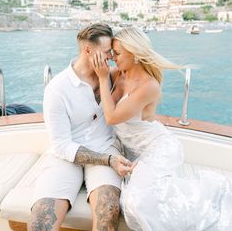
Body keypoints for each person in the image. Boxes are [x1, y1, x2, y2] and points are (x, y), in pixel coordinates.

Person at [92, 26, 232, 231]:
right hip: (135, 152)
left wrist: (103, 78)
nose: (113, 58)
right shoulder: (120, 74)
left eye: (118, 53)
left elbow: (112, 117)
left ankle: (216, 198)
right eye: (112, 53)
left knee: (136, 203)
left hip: (159, 148)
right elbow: (97, 91)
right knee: (135, 202)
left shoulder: (149, 86)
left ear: (136, 53)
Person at [29, 23, 133, 231]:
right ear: (88, 50)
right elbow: (61, 146)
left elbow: (144, 74)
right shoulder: (57, 89)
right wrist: (109, 160)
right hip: (66, 155)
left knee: (109, 211)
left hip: (105, 146)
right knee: (41, 220)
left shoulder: (114, 77)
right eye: (106, 53)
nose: (111, 57)